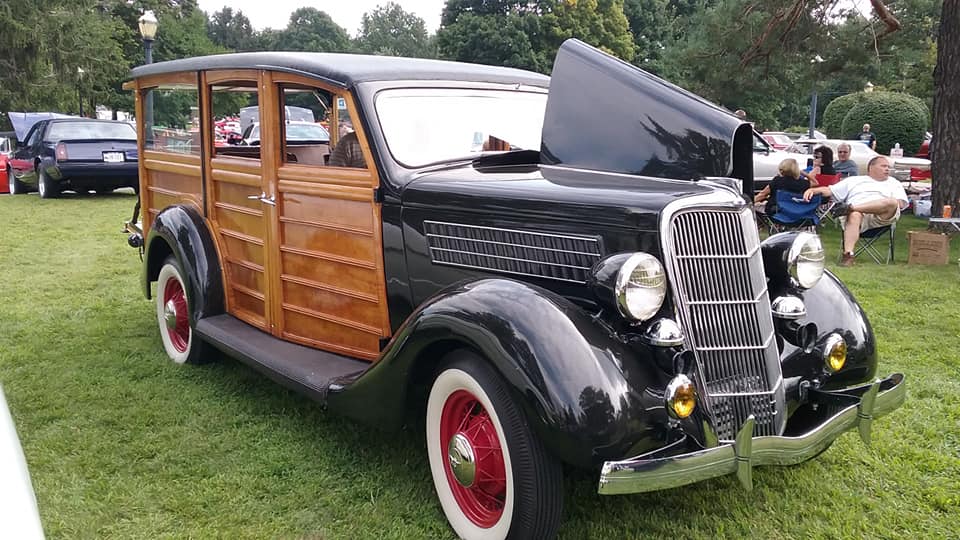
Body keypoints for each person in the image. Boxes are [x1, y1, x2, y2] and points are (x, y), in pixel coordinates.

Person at [802, 156, 907, 266]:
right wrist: (813, 189)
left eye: (888, 167)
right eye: (884, 166)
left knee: (892, 202)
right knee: (855, 215)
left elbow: (900, 204)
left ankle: (851, 208)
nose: (887, 169)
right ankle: (848, 255)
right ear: (871, 167)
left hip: (881, 217)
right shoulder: (854, 180)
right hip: (857, 218)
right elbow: (829, 190)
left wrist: (854, 208)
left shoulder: (894, 183)